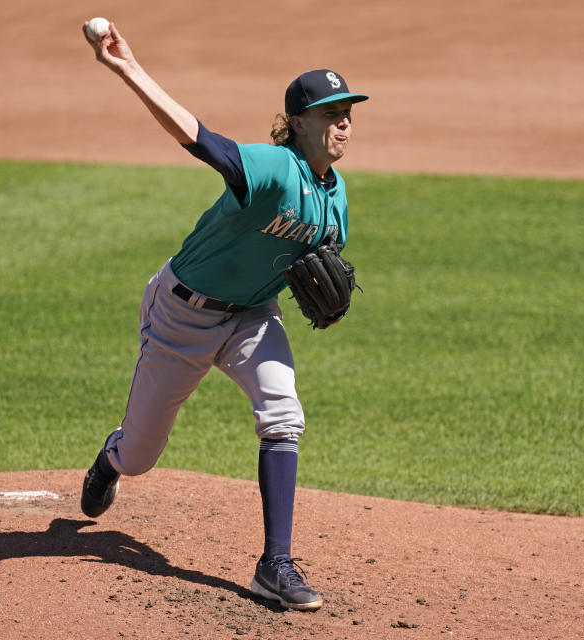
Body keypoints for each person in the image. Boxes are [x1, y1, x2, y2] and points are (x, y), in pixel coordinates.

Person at [79, 20, 368, 612]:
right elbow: (197, 137)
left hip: (251, 317)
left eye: (348, 110)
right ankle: (111, 457)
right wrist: (127, 67)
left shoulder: (336, 196)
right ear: (300, 123)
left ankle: (275, 565)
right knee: (140, 456)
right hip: (181, 315)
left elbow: (321, 272)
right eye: (332, 111)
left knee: (284, 413)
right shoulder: (270, 167)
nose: (344, 121)